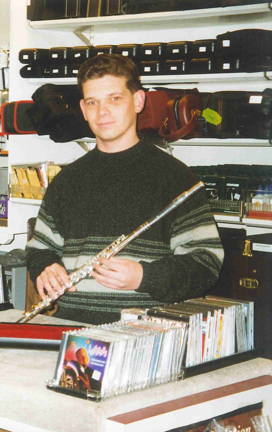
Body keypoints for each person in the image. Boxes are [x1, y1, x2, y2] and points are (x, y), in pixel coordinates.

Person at [26, 53, 224, 325]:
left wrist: (144, 276)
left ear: (138, 101)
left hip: (144, 333)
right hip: (70, 329)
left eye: (114, 99)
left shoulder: (175, 178)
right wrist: (46, 268)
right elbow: (39, 250)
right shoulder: (66, 180)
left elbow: (206, 262)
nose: (102, 112)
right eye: (93, 102)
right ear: (83, 109)